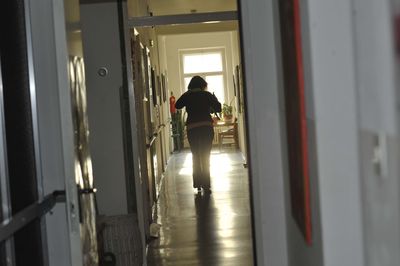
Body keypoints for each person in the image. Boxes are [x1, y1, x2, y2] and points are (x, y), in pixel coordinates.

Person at [175, 76, 221, 193]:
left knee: (195, 155)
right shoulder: (207, 95)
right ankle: (206, 184)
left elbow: (177, 105)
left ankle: (198, 184)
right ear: (202, 85)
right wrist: (213, 99)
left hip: (193, 128)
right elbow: (218, 108)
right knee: (206, 155)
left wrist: (187, 95)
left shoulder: (187, 95)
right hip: (206, 127)